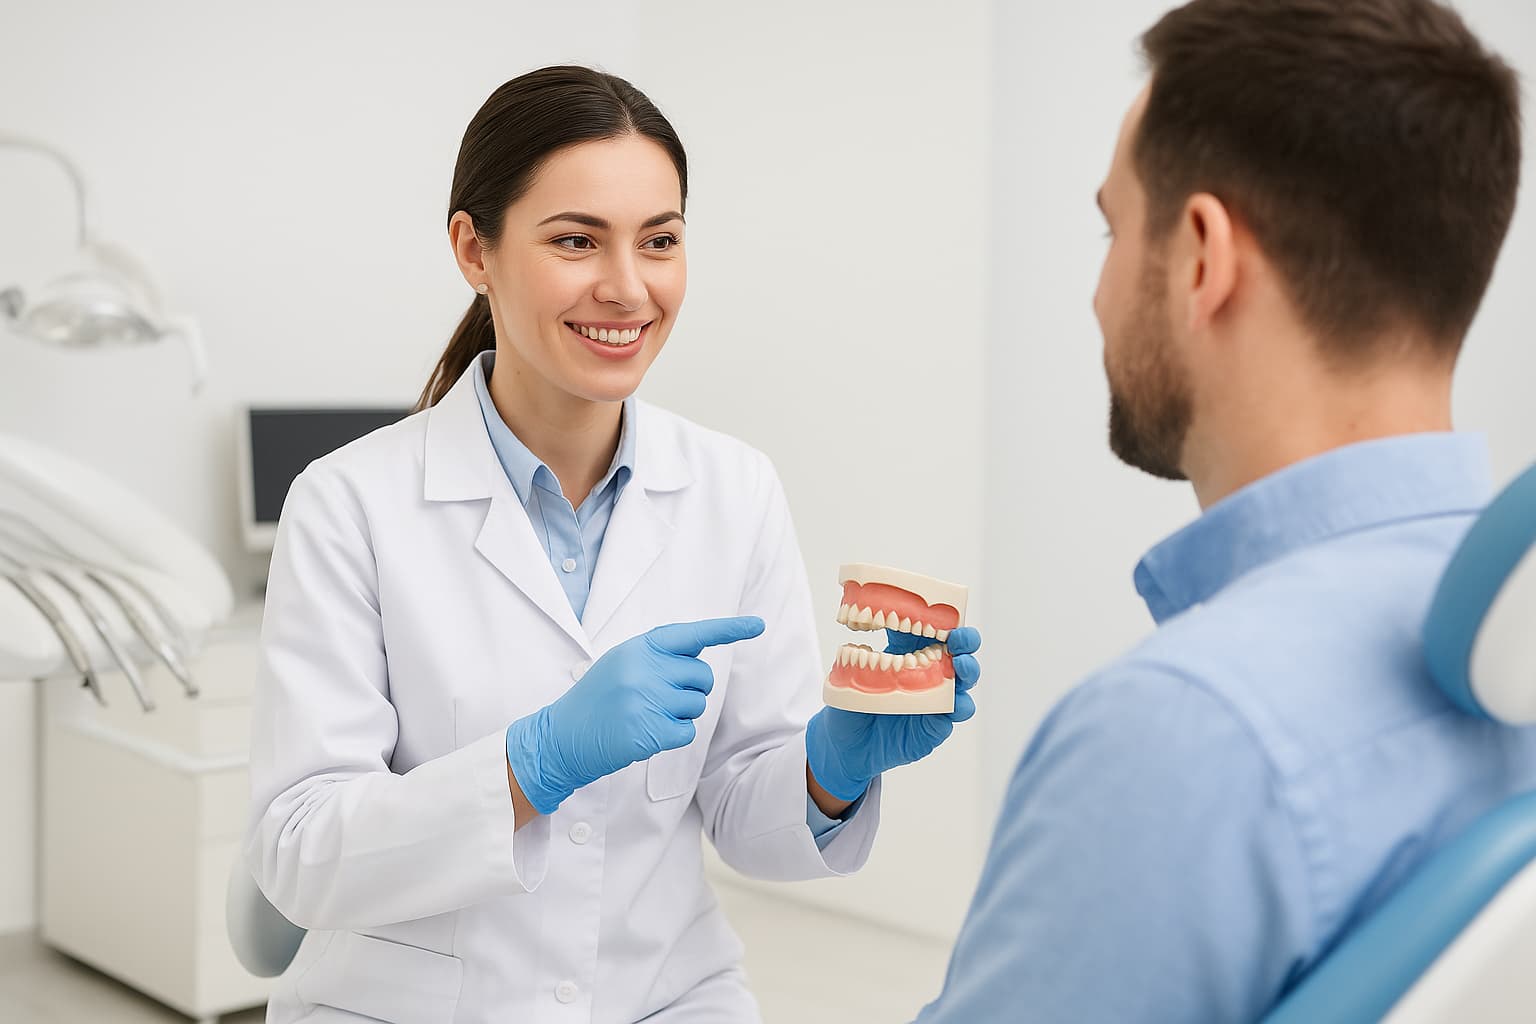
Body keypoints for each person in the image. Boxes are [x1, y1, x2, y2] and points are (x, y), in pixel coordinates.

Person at [244, 65, 982, 1024]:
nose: (627, 288)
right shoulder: (349, 503)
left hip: (666, 1000)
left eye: (661, 241)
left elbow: (744, 819)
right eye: (575, 240)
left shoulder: (735, 489)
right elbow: (299, 852)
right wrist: (532, 763)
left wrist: (830, 768)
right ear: (475, 248)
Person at [918, 1, 1527, 1020]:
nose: (1100, 293)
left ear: (1202, 256)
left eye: (1114, 228)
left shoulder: (1186, 734)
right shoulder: (1515, 657)